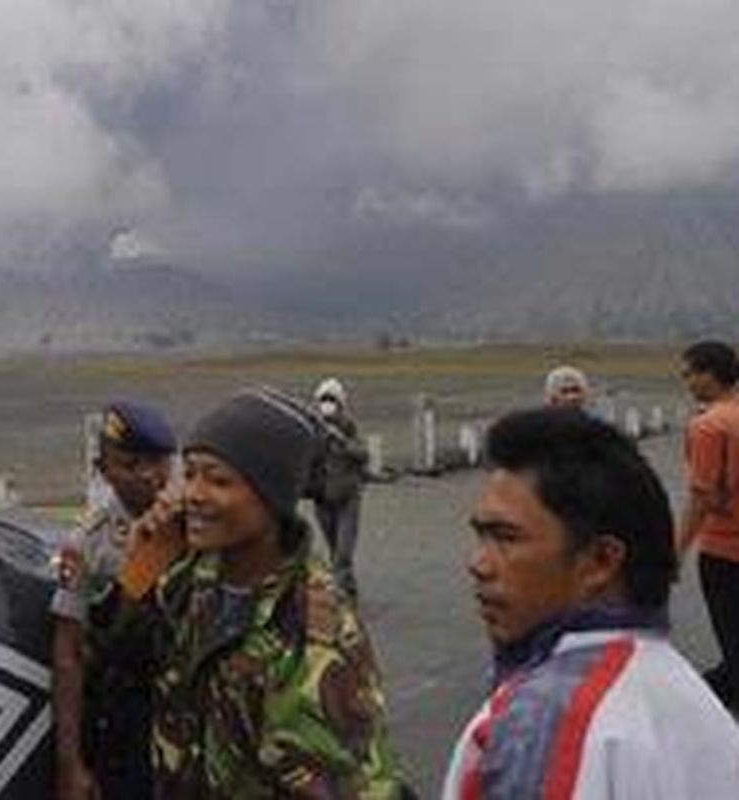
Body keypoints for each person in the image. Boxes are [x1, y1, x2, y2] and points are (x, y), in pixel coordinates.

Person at [104, 390, 404, 799]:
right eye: (189, 473)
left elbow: (351, 786)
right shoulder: (192, 576)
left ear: (272, 495)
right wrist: (144, 562)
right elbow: (121, 658)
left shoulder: (312, 631)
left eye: (218, 479)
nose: (192, 493)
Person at [443, 408, 739, 799]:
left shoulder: (541, 722)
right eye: (481, 537)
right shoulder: (681, 691)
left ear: (601, 561)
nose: (477, 564)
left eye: (505, 537)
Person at [51, 400, 176, 799]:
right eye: (131, 464)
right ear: (103, 471)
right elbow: (68, 652)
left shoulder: (200, 522)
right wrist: (70, 764)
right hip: (129, 713)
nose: (149, 475)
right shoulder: (89, 542)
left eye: (158, 461)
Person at [677, 340, 739, 709]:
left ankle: (686, 713)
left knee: (733, 647)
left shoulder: (709, 426)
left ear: (708, 375)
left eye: (689, 373)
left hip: (725, 552)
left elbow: (701, 497)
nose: (686, 381)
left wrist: (676, 550)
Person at [311, 377, 369, 599]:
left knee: (343, 553)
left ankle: (340, 597)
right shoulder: (315, 429)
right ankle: (348, 587)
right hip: (324, 499)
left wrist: (343, 443)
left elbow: (363, 454)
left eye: (331, 399)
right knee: (335, 549)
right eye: (324, 399)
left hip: (348, 498)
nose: (328, 404)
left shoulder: (348, 427)